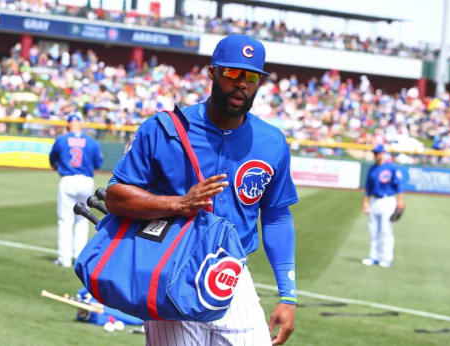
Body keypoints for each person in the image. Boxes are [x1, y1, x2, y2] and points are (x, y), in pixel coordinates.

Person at [105, 34, 299, 345]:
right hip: (170, 269)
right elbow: (115, 196)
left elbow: (276, 216)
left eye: (251, 76)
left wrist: (288, 295)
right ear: (212, 73)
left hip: (231, 274)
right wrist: (178, 203)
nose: (241, 84)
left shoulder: (271, 141)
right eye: (232, 73)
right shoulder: (163, 129)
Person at [49, 113, 104, 268]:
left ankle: (64, 259)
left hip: (67, 179)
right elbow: (98, 163)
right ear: (81, 123)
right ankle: (79, 256)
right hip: (86, 180)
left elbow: (52, 160)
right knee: (83, 220)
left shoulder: (61, 139)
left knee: (65, 221)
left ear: (68, 124)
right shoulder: (92, 142)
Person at [362, 144, 404, 268]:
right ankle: (373, 256)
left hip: (388, 200)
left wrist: (400, 201)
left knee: (386, 230)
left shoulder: (391, 168)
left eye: (378, 153)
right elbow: (368, 188)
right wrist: (365, 202)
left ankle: (386, 258)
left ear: (383, 153)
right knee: (373, 230)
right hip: (374, 200)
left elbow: (399, 186)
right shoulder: (372, 169)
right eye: (375, 153)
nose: (376, 155)